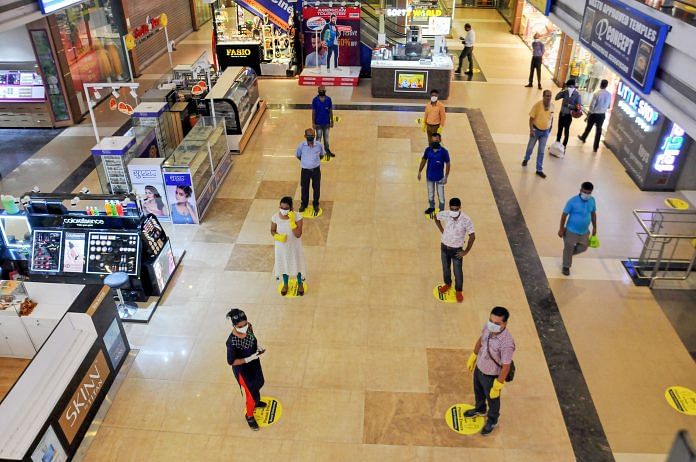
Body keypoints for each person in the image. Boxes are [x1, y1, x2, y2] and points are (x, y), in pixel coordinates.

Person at [464, 306, 516, 436]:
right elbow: (481, 339)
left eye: (497, 323)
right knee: (478, 391)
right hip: (480, 368)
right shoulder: (488, 327)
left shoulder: (507, 343)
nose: (492, 325)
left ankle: (492, 420)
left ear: (505, 324)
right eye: (491, 321)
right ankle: (480, 409)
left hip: (491, 376)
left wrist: (498, 384)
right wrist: (474, 355)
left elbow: (506, 366)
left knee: (493, 400)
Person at [226, 308, 267, 431]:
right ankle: (249, 416)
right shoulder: (232, 342)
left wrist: (257, 345)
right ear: (234, 326)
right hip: (242, 370)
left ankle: (257, 401)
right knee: (250, 394)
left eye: (245, 323)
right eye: (240, 326)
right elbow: (231, 362)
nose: (244, 327)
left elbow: (252, 336)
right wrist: (248, 359)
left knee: (259, 382)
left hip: (254, 362)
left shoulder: (249, 326)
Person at [435, 198, 475, 303]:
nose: (454, 211)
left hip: (457, 250)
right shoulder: (446, 214)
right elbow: (436, 217)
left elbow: (472, 236)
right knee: (445, 268)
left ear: (460, 207)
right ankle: (447, 284)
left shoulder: (466, 219)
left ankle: (458, 290)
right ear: (449, 208)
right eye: (452, 209)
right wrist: (442, 231)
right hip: (444, 247)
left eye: (456, 209)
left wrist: (465, 251)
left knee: (457, 271)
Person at [559, 182, 597, 276]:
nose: (587, 195)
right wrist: (561, 229)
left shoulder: (592, 200)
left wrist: (595, 227)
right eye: (585, 192)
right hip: (571, 231)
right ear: (580, 190)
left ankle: (567, 255)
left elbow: (593, 213)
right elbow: (564, 215)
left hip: (584, 231)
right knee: (569, 248)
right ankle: (566, 266)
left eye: (589, 193)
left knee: (583, 247)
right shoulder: (572, 201)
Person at [271, 196, 307, 296]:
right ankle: (285, 284)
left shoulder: (297, 217)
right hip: (281, 247)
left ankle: (300, 284)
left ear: (291, 208)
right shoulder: (275, 217)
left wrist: (292, 223)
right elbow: (272, 230)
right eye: (281, 208)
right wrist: (277, 236)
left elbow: (298, 234)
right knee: (283, 263)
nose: (283, 210)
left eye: (286, 208)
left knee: (297, 264)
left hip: (294, 247)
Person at [522, 90, 554, 178]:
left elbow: (551, 117)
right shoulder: (537, 105)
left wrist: (550, 127)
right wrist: (531, 130)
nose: (548, 98)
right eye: (547, 96)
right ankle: (526, 158)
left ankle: (539, 170)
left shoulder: (552, 106)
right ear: (543, 96)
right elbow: (531, 118)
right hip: (536, 131)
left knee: (541, 151)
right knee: (530, 148)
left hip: (545, 132)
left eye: (550, 96)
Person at [418, 132, 450, 215]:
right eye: (433, 140)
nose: (435, 141)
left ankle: (441, 210)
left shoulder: (444, 152)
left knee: (441, 196)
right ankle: (432, 207)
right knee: (431, 194)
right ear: (431, 140)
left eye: (436, 140)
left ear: (439, 140)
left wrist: (446, 176)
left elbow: (448, 163)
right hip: (430, 177)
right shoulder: (428, 150)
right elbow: (423, 160)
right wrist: (419, 171)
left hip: (440, 178)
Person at [578, 79, 612, 153]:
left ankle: (583, 138)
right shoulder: (609, 94)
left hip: (594, 114)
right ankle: (596, 147)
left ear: (600, 84)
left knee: (589, 127)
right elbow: (609, 106)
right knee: (598, 131)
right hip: (602, 115)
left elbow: (592, 106)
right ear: (606, 86)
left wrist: (588, 115)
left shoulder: (597, 94)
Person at [295, 128, 324, 213]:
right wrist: (306, 163)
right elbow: (298, 155)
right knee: (304, 188)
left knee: (316, 188)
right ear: (305, 136)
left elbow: (322, 155)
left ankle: (316, 204)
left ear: (314, 136)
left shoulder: (319, 145)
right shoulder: (301, 146)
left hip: (316, 171)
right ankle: (304, 204)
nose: (310, 137)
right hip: (305, 171)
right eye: (309, 136)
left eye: (312, 136)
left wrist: (313, 163)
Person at [554, 79, 582, 152]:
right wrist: (562, 90)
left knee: (566, 131)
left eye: (569, 86)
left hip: (568, 115)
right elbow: (556, 98)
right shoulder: (565, 92)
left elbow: (579, 107)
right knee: (559, 130)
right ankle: (557, 145)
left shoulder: (577, 95)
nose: (568, 87)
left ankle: (564, 147)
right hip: (561, 114)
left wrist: (569, 105)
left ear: (572, 86)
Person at [312, 85, 335, 158]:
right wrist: (313, 122)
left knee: (326, 138)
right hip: (318, 123)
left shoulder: (328, 99)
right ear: (318, 91)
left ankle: (327, 150)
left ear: (325, 91)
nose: (322, 92)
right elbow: (313, 112)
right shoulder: (315, 100)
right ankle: (317, 152)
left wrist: (332, 121)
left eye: (323, 90)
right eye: (320, 91)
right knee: (318, 138)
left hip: (326, 123)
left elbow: (330, 111)